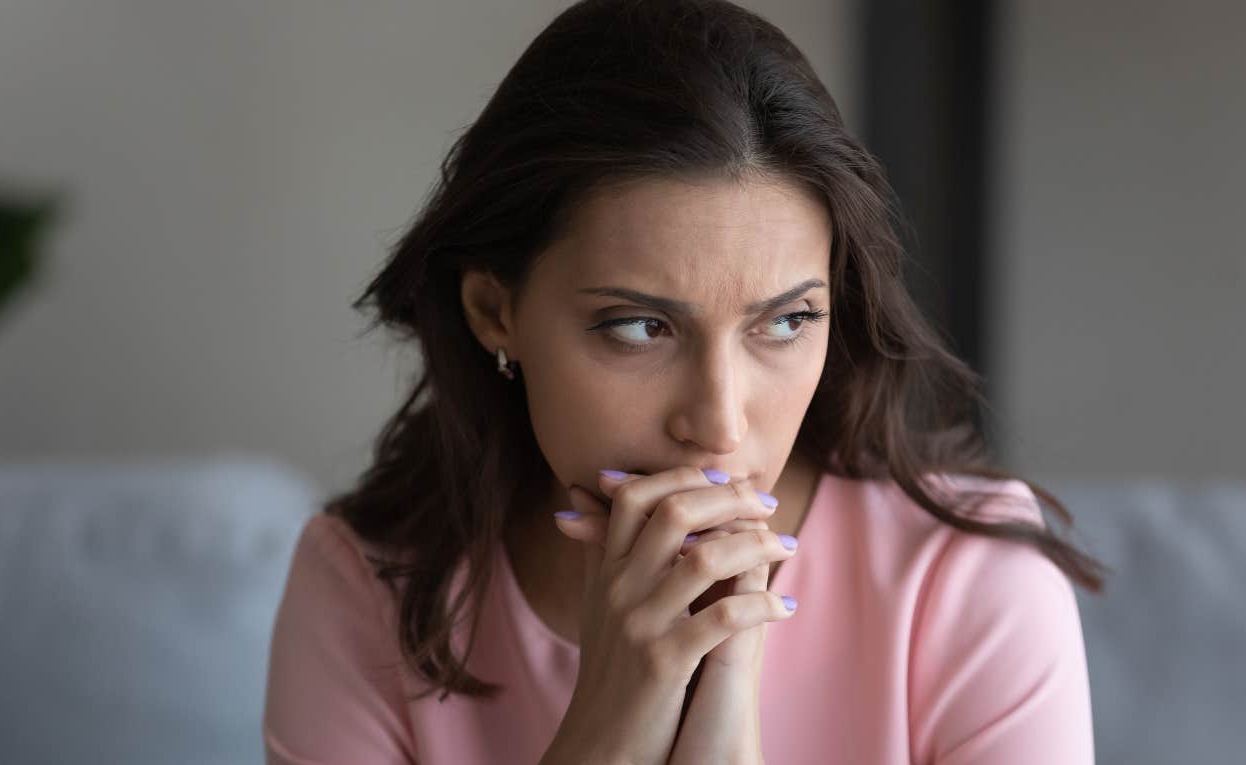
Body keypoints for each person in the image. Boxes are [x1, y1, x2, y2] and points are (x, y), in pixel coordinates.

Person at [262, 0, 1110, 762]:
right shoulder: (368, 590)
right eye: (640, 327)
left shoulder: (970, 581)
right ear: (494, 309)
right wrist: (610, 722)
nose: (718, 423)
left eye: (785, 322)